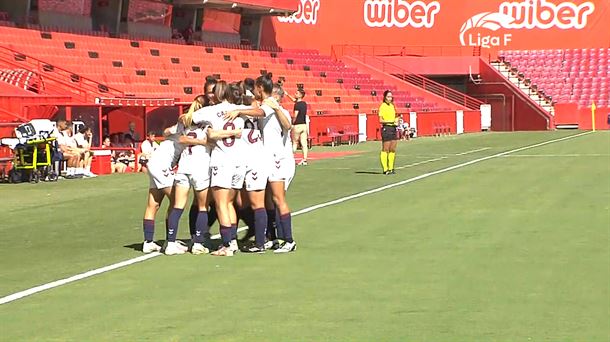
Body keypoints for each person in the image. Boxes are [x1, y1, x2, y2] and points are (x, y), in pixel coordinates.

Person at [225, 74, 297, 253]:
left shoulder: (271, 104)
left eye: (255, 88)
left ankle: (289, 240)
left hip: (277, 159)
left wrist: (240, 111)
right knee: (268, 201)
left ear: (260, 88)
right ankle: (270, 239)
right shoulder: (266, 103)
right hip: (266, 158)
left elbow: (272, 117)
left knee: (278, 199)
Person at [141, 121, 187, 255]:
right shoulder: (185, 127)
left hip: (154, 163)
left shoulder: (180, 128)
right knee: (176, 200)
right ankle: (170, 242)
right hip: (162, 166)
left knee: (153, 204)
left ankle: (148, 242)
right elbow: (166, 131)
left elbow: (166, 132)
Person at [379, 90, 398, 175]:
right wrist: (390, 121)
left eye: (391, 97)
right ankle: (385, 169)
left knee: (393, 148)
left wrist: (397, 120)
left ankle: (391, 168)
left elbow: (395, 116)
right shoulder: (383, 106)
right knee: (385, 148)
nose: (390, 98)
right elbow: (381, 120)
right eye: (388, 97)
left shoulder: (392, 106)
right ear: (385, 97)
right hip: (386, 128)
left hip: (393, 128)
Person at [289, 89, 308, 165]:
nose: (295, 94)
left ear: (300, 95)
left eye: (297, 93)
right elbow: (294, 100)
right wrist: (287, 95)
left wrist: (292, 123)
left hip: (297, 125)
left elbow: (295, 115)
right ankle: (305, 159)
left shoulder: (297, 105)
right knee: (304, 143)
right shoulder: (304, 103)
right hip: (304, 125)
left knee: (294, 142)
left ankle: (290, 157)